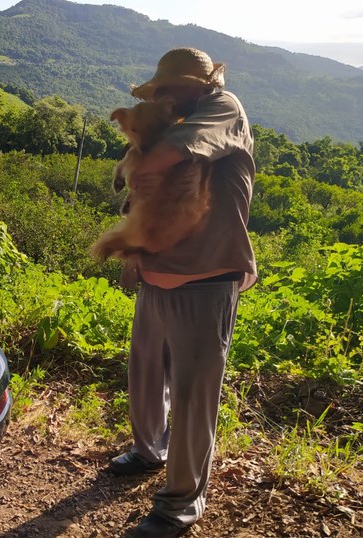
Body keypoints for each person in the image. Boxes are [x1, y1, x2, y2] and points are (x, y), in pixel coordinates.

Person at [108, 48, 258, 538]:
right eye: (160, 91)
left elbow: (172, 154)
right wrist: (134, 256)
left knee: (195, 396)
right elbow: (141, 190)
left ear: (202, 84)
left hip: (206, 280)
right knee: (146, 372)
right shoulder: (165, 124)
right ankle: (149, 450)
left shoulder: (223, 108)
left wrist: (141, 152)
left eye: (172, 88)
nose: (165, 96)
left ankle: (179, 505)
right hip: (157, 276)